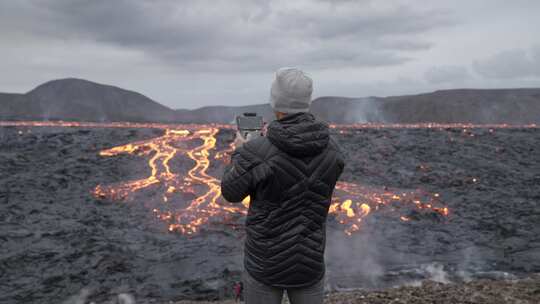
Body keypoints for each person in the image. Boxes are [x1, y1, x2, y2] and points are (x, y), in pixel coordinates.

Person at [221, 67, 345, 304]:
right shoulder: (333, 149)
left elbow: (231, 192)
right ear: (307, 101)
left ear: (274, 101)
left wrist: (241, 151)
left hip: (265, 265)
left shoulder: (257, 151)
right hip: (310, 263)